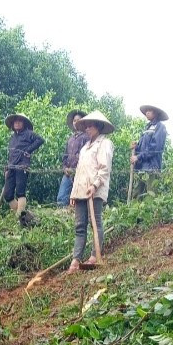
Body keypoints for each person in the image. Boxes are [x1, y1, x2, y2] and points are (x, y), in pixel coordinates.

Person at [67, 111, 115, 273]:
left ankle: (95, 255)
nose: (87, 128)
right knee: (80, 226)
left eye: (91, 125)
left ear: (99, 126)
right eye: (86, 126)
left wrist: (94, 185)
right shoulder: (85, 147)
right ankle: (76, 259)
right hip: (81, 190)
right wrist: (74, 193)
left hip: (95, 190)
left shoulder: (105, 143)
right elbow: (80, 171)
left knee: (96, 223)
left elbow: (104, 168)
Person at [3, 113, 44, 215]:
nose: (17, 123)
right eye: (15, 121)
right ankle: (22, 213)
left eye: (19, 121)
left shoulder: (29, 133)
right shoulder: (13, 137)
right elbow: (11, 153)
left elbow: (40, 140)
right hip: (12, 166)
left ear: (24, 123)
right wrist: (7, 167)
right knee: (8, 195)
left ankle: (19, 216)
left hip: (22, 165)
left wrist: (28, 150)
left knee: (20, 191)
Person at [130, 105, 169, 198]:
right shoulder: (147, 127)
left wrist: (138, 157)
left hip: (152, 167)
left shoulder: (160, 127)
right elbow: (143, 148)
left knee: (151, 194)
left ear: (155, 113)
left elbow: (154, 148)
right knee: (136, 194)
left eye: (149, 111)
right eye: (146, 111)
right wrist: (137, 147)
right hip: (142, 167)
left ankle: (152, 212)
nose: (147, 112)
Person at [57, 110, 87, 207]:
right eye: (74, 120)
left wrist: (77, 169)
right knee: (61, 198)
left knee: (78, 199)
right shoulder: (70, 139)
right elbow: (65, 155)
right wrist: (65, 167)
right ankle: (62, 219)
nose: (76, 122)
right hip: (68, 173)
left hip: (80, 173)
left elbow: (87, 156)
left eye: (79, 120)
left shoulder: (86, 137)